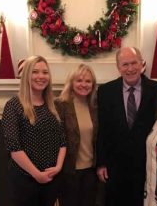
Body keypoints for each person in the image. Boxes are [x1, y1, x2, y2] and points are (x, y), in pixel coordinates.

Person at [96, 47, 157, 206]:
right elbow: (102, 129)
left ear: (142, 64)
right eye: (125, 64)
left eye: (134, 63)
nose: (130, 68)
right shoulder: (105, 91)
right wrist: (101, 163)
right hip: (115, 166)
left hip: (147, 164)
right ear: (118, 67)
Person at [1, 55, 66, 206]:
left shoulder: (53, 105)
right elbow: (13, 146)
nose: (41, 76)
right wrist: (37, 174)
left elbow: (62, 140)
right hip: (25, 181)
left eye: (45, 72)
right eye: (35, 72)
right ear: (26, 75)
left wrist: (58, 167)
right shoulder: (13, 105)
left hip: (51, 180)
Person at [54, 63, 99, 206]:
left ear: (93, 84)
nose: (83, 84)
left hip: (91, 172)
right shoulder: (60, 105)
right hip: (68, 172)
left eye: (88, 81)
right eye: (79, 80)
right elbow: (56, 140)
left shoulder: (96, 106)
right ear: (71, 82)